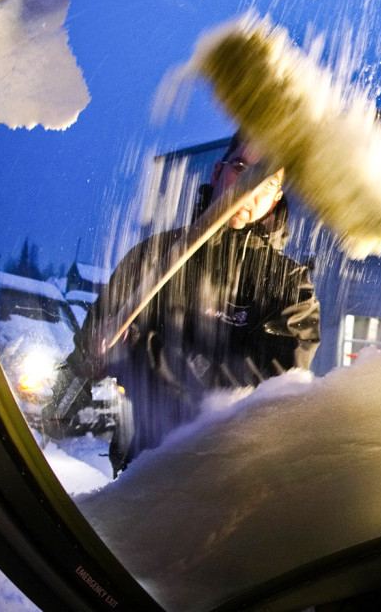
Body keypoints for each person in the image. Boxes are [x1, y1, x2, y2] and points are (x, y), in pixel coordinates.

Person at [46, 134, 321, 475]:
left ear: (276, 197)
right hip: (139, 478)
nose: (250, 188)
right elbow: (85, 359)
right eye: (241, 168)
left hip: (229, 484)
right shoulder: (152, 257)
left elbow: (271, 390)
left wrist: (141, 353)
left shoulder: (290, 287)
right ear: (217, 172)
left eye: (265, 181)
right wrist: (59, 407)